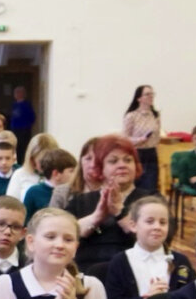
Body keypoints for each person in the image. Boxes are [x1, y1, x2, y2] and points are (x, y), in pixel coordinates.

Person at [103, 196, 194, 299]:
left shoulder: (180, 262)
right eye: (150, 221)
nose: (157, 227)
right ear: (133, 225)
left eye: (163, 222)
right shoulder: (120, 262)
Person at [67, 135, 152, 269]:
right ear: (100, 168)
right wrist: (97, 217)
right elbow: (64, 232)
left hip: (135, 270)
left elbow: (156, 237)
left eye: (128, 160)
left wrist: (120, 212)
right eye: (113, 161)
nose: (122, 165)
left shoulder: (150, 199)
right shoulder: (81, 201)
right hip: (87, 271)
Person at [121, 85, 162, 191]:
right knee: (136, 186)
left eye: (152, 94)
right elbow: (124, 138)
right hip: (137, 153)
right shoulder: (131, 116)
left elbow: (157, 136)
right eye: (147, 94)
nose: (151, 96)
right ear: (139, 98)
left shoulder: (155, 115)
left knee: (150, 186)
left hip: (151, 153)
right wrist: (140, 140)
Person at [23, 149, 77, 222]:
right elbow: (25, 220)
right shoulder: (33, 192)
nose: (76, 175)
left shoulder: (74, 192)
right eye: (71, 171)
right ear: (56, 174)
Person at [5, 134, 58, 202]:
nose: (46, 165)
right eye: (41, 161)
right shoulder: (20, 174)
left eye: (49, 161)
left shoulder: (59, 175)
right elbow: (10, 203)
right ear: (32, 159)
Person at [8, 86, 37, 159]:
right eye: (15, 93)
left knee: (23, 148)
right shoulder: (14, 104)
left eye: (17, 92)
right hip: (14, 130)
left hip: (24, 130)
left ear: (22, 94)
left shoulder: (27, 105)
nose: (15, 94)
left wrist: (27, 126)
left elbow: (32, 117)